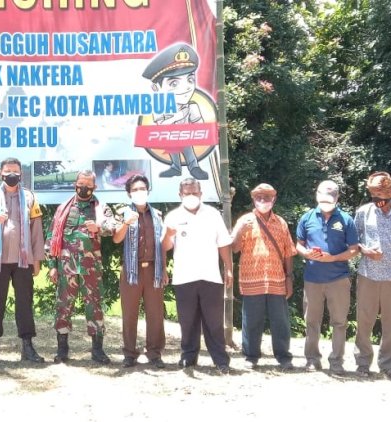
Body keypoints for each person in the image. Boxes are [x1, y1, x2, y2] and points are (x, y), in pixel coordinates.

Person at [0, 157, 46, 363]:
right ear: (0, 173)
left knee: (25, 303)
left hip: (23, 261)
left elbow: (36, 230)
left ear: (21, 173)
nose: (11, 174)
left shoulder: (30, 197)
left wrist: (37, 259)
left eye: (15, 171)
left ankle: (28, 346)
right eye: (7, 171)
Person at [162, 178, 233, 374]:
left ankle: (220, 360)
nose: (191, 196)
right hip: (184, 277)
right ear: (180, 195)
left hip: (210, 276)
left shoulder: (212, 214)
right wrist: (168, 234)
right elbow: (165, 246)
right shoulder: (173, 216)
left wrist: (228, 268)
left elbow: (223, 243)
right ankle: (188, 356)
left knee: (214, 322)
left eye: (194, 192)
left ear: (201, 194)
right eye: (187, 193)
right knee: (188, 321)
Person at [46, 170, 114, 364]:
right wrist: (52, 265)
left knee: (94, 306)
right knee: (63, 306)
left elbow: (113, 225)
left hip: (90, 267)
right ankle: (62, 349)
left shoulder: (100, 207)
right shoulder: (63, 209)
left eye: (88, 185)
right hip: (66, 267)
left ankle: (97, 350)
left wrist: (99, 228)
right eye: (81, 184)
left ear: (95, 187)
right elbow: (51, 238)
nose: (84, 188)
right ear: (75, 184)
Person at [353, 172, 391, 380]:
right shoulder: (363, 212)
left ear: (390, 195)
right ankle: (362, 363)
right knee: (365, 319)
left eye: (381, 197)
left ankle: (387, 365)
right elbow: (354, 242)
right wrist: (366, 251)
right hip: (368, 274)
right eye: (374, 197)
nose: (377, 201)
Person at [295, 180, 359, 375]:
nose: (325, 202)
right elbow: (298, 244)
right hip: (312, 279)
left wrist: (334, 258)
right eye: (322, 198)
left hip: (338, 279)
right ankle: (312, 360)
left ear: (337, 198)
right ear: (316, 196)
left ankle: (336, 362)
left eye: (329, 199)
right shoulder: (306, 218)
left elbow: (354, 249)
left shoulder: (346, 220)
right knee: (311, 322)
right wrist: (306, 253)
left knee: (339, 322)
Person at [231, 183, 296, 371]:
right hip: (251, 279)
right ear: (253, 199)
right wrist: (240, 230)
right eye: (259, 198)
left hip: (277, 280)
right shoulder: (245, 221)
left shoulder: (281, 223)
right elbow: (234, 248)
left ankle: (284, 357)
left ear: (273, 199)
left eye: (266, 198)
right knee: (251, 320)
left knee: (281, 321)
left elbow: (288, 252)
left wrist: (289, 278)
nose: (263, 201)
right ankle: (251, 356)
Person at [112, 174, 167, 369]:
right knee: (129, 314)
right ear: (129, 194)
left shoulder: (157, 215)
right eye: (134, 190)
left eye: (142, 189)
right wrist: (127, 223)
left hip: (154, 270)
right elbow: (116, 239)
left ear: (148, 191)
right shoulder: (123, 213)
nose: (139, 192)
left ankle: (154, 353)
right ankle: (129, 353)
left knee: (155, 314)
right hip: (131, 271)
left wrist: (165, 270)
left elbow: (161, 245)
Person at [142, 43, 209, 181]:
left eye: (190, 80)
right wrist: (176, 117)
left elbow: (201, 127)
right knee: (171, 142)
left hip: (186, 136)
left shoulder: (192, 106)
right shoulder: (159, 107)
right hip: (169, 136)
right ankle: (175, 167)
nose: (185, 88)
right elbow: (161, 126)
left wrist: (195, 127)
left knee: (186, 143)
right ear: (156, 88)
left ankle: (194, 167)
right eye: (174, 84)